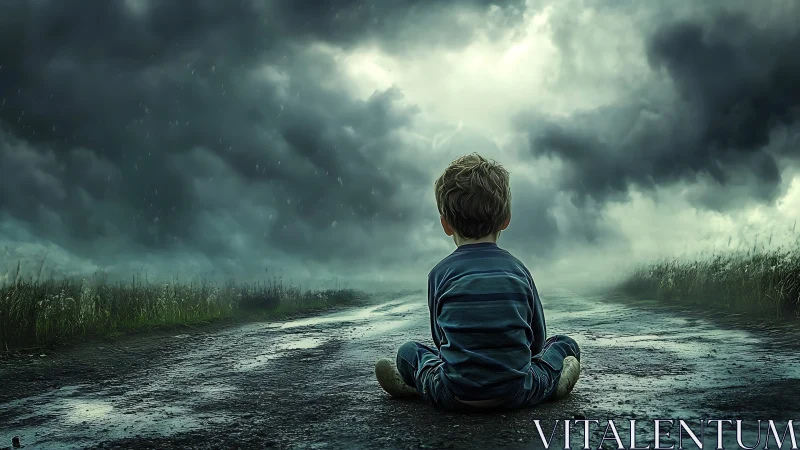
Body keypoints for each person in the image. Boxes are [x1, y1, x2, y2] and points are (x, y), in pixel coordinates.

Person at [374, 153, 581, 411]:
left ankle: (418, 384)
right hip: (517, 392)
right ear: (506, 219)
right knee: (565, 345)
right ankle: (552, 383)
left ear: (446, 225)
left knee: (408, 352)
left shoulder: (439, 274)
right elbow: (537, 342)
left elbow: (441, 341)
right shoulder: (518, 271)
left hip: (453, 394)